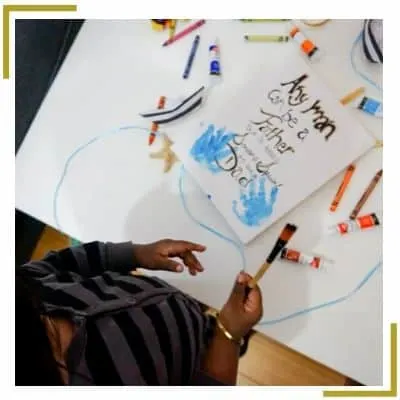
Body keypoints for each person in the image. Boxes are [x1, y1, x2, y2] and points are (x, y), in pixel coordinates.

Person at [16, 239, 263, 386]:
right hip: (206, 356)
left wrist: (137, 254)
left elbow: (63, 262)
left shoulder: (23, 283)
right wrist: (228, 335)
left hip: (180, 308)